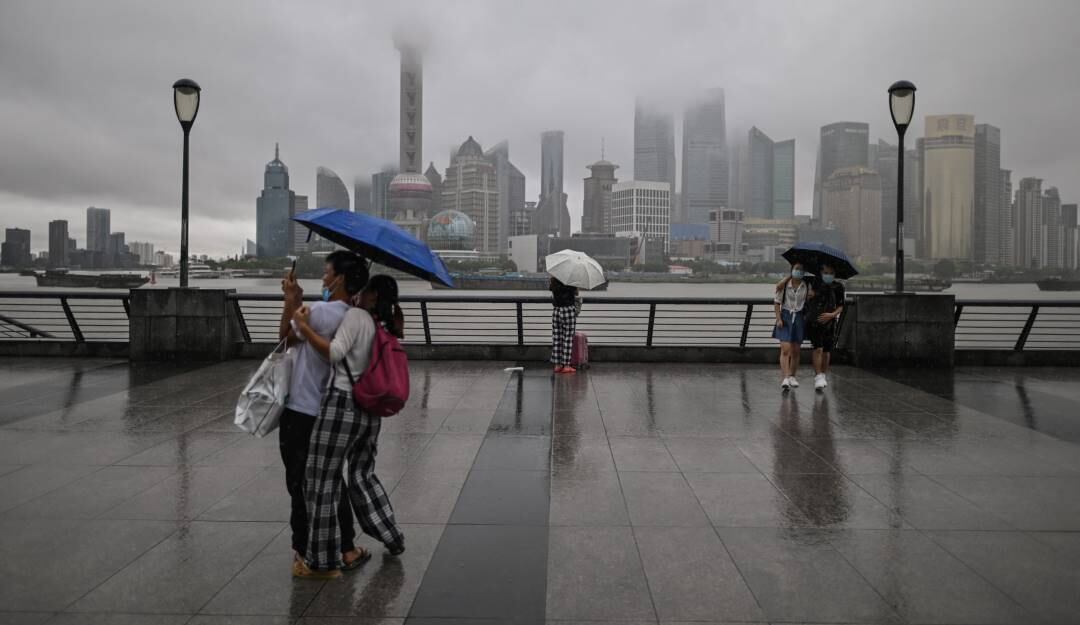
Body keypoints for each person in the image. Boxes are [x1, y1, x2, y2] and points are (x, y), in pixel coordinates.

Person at [292, 262, 406, 579]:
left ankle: (324, 561)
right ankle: (392, 536)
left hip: (341, 405)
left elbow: (334, 353)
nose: (360, 293)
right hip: (369, 411)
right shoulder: (389, 323)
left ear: (372, 296)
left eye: (366, 290)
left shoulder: (357, 317)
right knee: (361, 476)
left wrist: (305, 325)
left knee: (320, 482)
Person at [277, 251, 366, 574]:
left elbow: (285, 339)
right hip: (331, 411)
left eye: (327, 273)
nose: (324, 279)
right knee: (330, 480)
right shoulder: (357, 316)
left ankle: (301, 552)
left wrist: (291, 298)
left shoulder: (323, 312)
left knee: (300, 483)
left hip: (301, 410)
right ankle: (346, 548)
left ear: (340, 278)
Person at [806, 263, 845, 390]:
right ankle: (817, 376)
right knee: (818, 348)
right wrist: (809, 293)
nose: (828, 275)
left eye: (831, 273)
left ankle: (823, 375)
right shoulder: (814, 283)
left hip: (830, 321)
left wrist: (832, 315)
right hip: (815, 321)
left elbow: (841, 305)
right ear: (821, 272)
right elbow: (794, 280)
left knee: (827, 351)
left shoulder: (839, 287)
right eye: (826, 272)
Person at [773, 261, 810, 390]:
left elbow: (809, 301)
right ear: (792, 270)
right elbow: (777, 303)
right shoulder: (783, 285)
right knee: (785, 348)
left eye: (801, 269)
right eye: (796, 269)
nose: (798, 271)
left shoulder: (807, 285)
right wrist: (778, 319)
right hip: (785, 317)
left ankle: (792, 376)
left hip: (799, 317)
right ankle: (785, 377)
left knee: (795, 350)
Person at [357, 274, 405, 339]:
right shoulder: (383, 330)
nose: (360, 293)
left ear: (374, 294)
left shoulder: (362, 327)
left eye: (365, 289)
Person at [549, 276, 579, 373]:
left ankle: (557, 365)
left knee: (557, 338)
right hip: (568, 309)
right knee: (568, 338)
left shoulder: (553, 281)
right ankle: (566, 365)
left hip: (557, 311)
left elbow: (553, 292)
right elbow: (576, 293)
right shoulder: (571, 281)